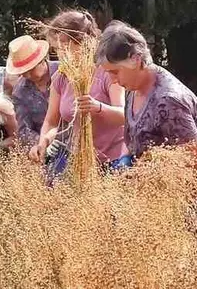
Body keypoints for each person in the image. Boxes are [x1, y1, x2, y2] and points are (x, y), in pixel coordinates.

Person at [97, 22, 197, 248]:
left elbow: (196, 158)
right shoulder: (135, 91)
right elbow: (135, 141)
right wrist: (127, 164)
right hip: (191, 179)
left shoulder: (167, 99)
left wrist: (147, 176)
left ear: (135, 60)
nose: (112, 80)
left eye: (115, 71)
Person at [27, 10, 130, 176]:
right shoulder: (60, 77)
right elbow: (52, 121)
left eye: (65, 46)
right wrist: (43, 141)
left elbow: (123, 115)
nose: (61, 53)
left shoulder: (106, 71)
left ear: (85, 42)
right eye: (57, 48)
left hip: (114, 160)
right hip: (80, 161)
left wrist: (97, 107)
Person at [9, 35, 59, 148]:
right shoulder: (19, 92)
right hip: (47, 149)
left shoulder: (63, 73)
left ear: (41, 61)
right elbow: (24, 130)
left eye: (30, 70)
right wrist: (41, 144)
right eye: (23, 72)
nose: (27, 75)